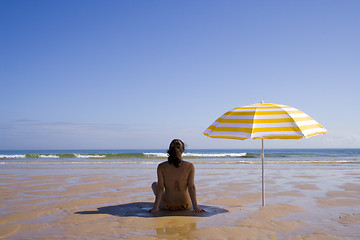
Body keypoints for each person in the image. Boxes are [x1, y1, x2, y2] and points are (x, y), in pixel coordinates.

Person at [149, 139, 205, 216]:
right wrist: (195, 207)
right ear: (182, 151)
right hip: (186, 205)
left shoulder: (161, 167)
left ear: (169, 151)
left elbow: (160, 188)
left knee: (155, 184)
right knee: (187, 186)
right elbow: (191, 187)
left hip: (167, 206)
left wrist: (155, 208)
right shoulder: (189, 166)